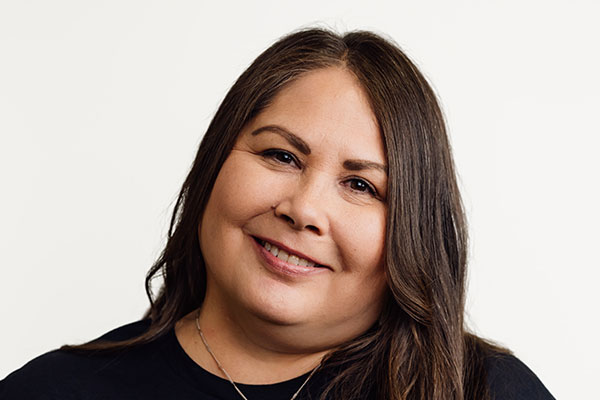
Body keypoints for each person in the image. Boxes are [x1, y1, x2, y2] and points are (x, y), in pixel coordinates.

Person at [0, 28, 554, 400]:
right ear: (215, 162)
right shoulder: (48, 391)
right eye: (281, 156)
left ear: (413, 231)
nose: (304, 209)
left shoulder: (486, 391)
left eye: (361, 185)